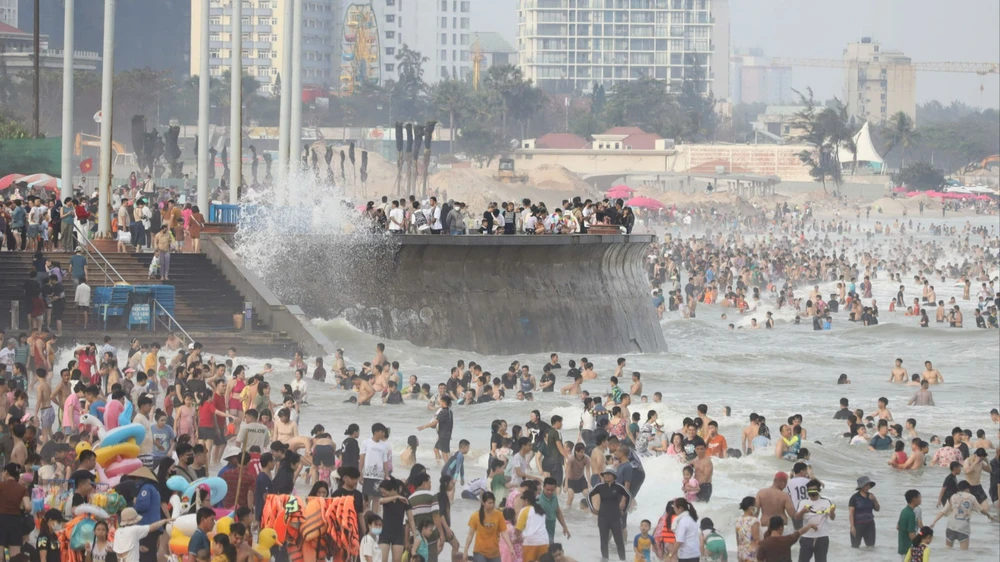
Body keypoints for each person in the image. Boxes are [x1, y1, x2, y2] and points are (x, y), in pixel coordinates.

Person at [929, 480, 994, 550]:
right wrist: (988, 515)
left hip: (951, 528)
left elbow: (943, 511)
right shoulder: (971, 497)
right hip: (963, 529)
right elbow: (981, 509)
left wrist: (934, 522)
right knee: (964, 554)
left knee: (948, 550)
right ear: (968, 488)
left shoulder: (952, 496)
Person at [588, 468, 631, 561]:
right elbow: (589, 495)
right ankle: (605, 560)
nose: (606, 476)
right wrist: (592, 508)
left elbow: (629, 496)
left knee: (619, 541)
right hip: (603, 518)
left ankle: (623, 560)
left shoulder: (619, 487)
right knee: (604, 541)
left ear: (614, 477)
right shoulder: (600, 487)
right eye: (605, 474)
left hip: (615, 518)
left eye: (609, 474)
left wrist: (625, 510)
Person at [464, 491, 513, 562]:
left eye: (493, 502)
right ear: (483, 503)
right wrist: (465, 551)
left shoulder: (499, 515)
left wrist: (510, 547)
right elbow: (470, 534)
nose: (492, 505)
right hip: (479, 552)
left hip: (494, 553)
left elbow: (504, 532)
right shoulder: (475, 516)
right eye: (489, 503)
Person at [795, 479, 835, 562]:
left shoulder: (826, 502)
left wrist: (831, 512)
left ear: (819, 490)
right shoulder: (803, 502)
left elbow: (832, 517)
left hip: (822, 537)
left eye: (814, 491)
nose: (812, 493)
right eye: (809, 491)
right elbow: (797, 518)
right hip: (806, 537)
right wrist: (803, 511)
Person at [848, 476, 879, 548]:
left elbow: (877, 509)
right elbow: (851, 514)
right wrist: (852, 526)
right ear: (861, 486)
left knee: (871, 547)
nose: (868, 487)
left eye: (868, 485)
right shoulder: (854, 498)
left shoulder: (871, 496)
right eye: (866, 485)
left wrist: (874, 500)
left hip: (870, 525)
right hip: (857, 525)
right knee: (855, 547)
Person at [671, 498, 701, 562]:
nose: (674, 509)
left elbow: (679, 541)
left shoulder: (683, 521)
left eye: (675, 507)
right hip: (695, 554)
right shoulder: (692, 519)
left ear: (681, 508)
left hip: (686, 555)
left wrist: (670, 555)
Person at [896, 489, 921, 559]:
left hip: (902, 546)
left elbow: (898, 527)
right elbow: (911, 534)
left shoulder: (904, 511)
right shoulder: (911, 514)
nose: (920, 499)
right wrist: (919, 546)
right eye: (919, 497)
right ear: (914, 499)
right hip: (908, 548)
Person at [735, 496, 760, 562]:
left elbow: (737, 539)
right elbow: (756, 539)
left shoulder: (738, 520)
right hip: (751, 553)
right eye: (755, 505)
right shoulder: (754, 521)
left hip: (741, 552)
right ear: (750, 508)